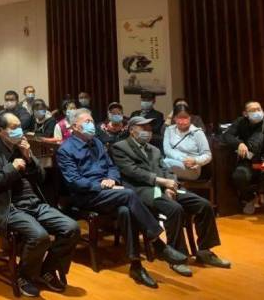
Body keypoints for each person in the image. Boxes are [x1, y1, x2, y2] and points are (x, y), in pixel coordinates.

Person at [56, 109, 188, 288]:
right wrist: (102, 185)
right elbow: (75, 182)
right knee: (129, 194)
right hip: (86, 196)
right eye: (86, 122)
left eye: (92, 121)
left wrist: (112, 179)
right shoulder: (65, 150)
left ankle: (136, 266)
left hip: (108, 192)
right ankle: (158, 244)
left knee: (126, 210)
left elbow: (112, 167)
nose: (91, 125)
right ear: (74, 126)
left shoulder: (97, 142)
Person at [112, 116, 230, 277]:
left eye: (149, 128)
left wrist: (170, 185)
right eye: (143, 128)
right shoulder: (120, 147)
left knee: (204, 205)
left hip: (165, 186)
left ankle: (204, 251)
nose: (148, 131)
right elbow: (133, 172)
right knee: (174, 209)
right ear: (132, 130)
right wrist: (162, 182)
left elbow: (167, 169)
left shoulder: (154, 149)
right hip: (144, 189)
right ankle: (177, 257)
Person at [0, 113, 80, 297]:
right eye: (14, 127)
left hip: (34, 204)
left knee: (71, 228)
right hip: (8, 207)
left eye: (20, 126)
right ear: (0, 131)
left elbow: (41, 178)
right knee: (39, 236)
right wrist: (11, 168)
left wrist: (29, 158)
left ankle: (47, 270)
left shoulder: (23, 147)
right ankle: (23, 276)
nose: (20, 131)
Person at [222, 101, 264, 221]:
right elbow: (226, 136)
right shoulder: (241, 122)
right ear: (245, 114)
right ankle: (250, 198)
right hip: (250, 162)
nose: (257, 112)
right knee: (239, 175)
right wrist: (239, 143)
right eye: (253, 110)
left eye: (259, 109)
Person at [162, 105, 212, 180]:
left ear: (190, 118)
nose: (182, 121)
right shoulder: (169, 130)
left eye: (185, 118)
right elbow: (167, 150)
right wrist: (183, 159)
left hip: (191, 167)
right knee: (162, 164)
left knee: (162, 166)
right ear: (174, 118)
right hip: (171, 162)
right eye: (179, 118)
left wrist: (195, 160)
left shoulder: (198, 132)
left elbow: (208, 155)